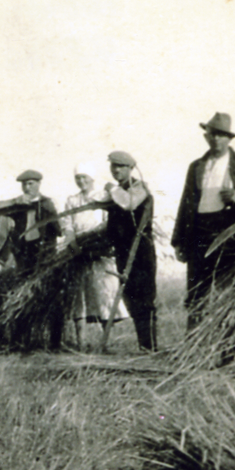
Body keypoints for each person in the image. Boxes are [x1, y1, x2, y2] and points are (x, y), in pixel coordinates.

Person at [171, 112, 235, 329]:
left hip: (230, 232)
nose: (216, 139)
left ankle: (230, 347)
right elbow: (186, 203)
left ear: (229, 138)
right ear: (206, 137)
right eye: (212, 135)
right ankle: (194, 345)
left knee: (230, 288)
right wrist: (179, 240)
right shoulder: (197, 166)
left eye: (221, 135)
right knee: (197, 290)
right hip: (200, 231)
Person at [0, 170, 63, 349]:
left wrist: (49, 212)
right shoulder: (18, 205)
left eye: (31, 183)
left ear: (39, 184)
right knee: (22, 297)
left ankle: (54, 343)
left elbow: (58, 230)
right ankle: (21, 340)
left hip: (45, 256)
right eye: (24, 184)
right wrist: (14, 202)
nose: (27, 187)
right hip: (25, 258)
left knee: (51, 298)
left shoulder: (47, 203)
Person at [94, 151, 158, 352]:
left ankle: (150, 346)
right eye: (113, 166)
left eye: (120, 166)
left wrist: (112, 189)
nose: (116, 170)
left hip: (140, 251)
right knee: (130, 298)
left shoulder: (139, 188)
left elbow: (129, 203)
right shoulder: (117, 191)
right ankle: (144, 345)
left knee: (144, 298)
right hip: (123, 251)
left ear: (131, 168)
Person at [64, 161, 127, 348]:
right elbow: (67, 224)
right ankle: (80, 341)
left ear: (92, 178)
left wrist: (99, 244)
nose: (81, 181)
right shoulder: (72, 200)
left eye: (84, 177)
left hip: (100, 252)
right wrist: (73, 242)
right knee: (79, 296)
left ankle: (105, 341)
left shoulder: (103, 197)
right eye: (78, 178)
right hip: (78, 253)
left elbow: (109, 224)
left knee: (105, 293)